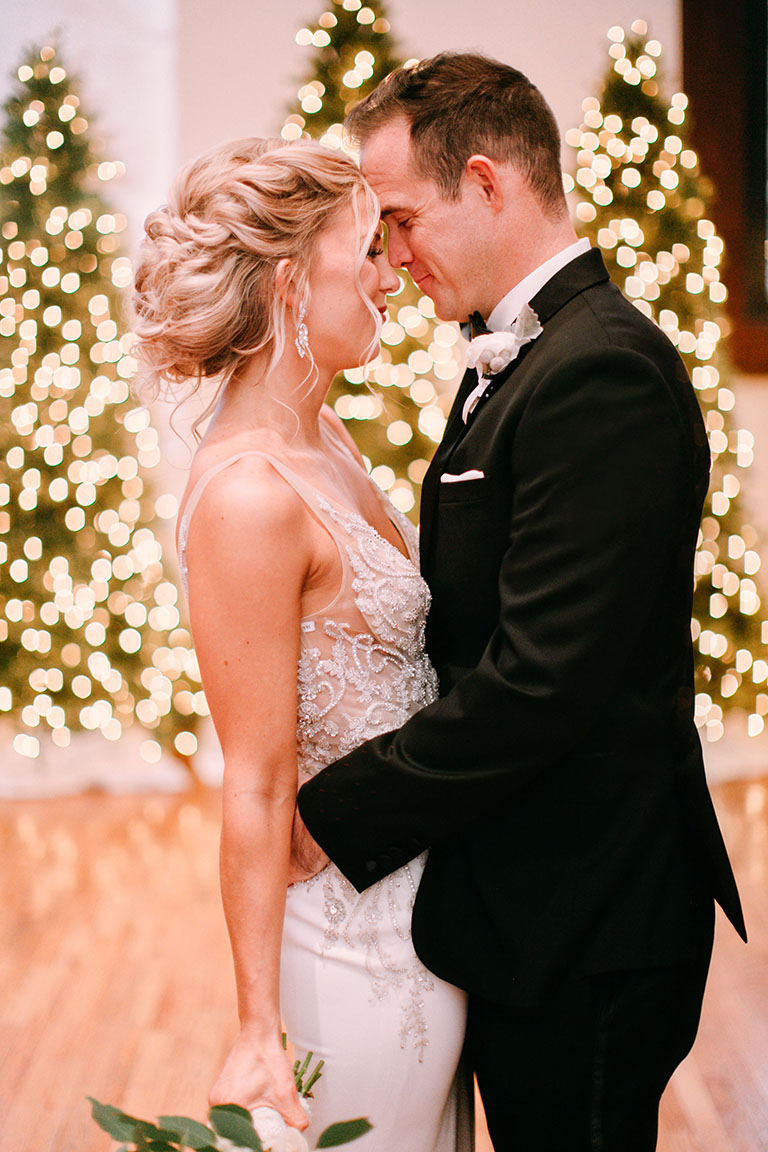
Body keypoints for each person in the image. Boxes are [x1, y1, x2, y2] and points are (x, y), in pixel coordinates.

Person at [294, 53, 747, 1152]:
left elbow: (545, 676)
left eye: (402, 219)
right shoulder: (519, 355)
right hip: (527, 899)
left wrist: (329, 812)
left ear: (488, 183)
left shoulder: (603, 371)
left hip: (589, 916)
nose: (393, 259)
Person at [132, 137, 471, 1151]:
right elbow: (255, 783)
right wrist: (253, 1024)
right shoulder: (247, 496)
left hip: (428, 915)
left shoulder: (322, 440)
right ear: (288, 284)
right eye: (365, 252)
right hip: (351, 951)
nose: (390, 277)